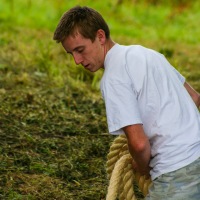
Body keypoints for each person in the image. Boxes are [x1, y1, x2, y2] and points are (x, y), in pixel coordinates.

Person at [53, 6, 200, 199]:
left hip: (177, 170)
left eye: (80, 50)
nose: (77, 61)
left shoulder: (113, 77)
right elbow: (195, 98)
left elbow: (138, 145)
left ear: (100, 36)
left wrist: (141, 167)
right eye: (71, 54)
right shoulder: (149, 54)